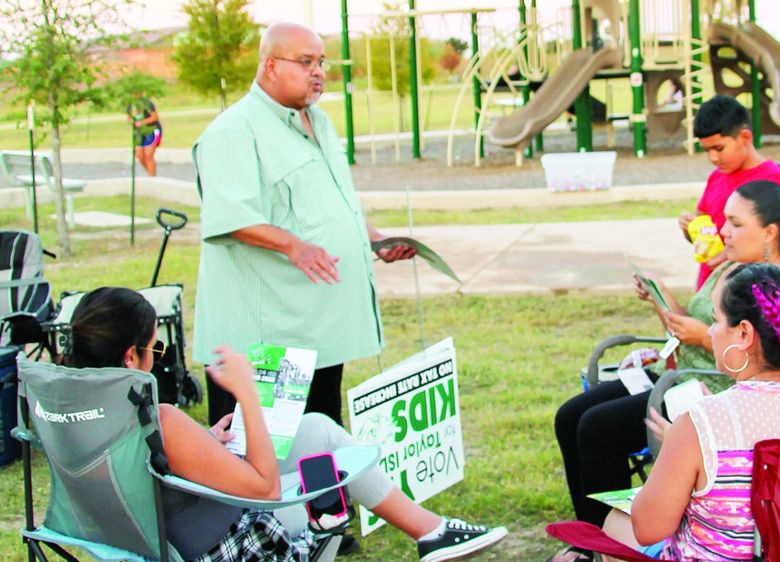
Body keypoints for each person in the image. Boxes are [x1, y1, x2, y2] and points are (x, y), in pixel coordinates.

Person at [63, 287, 508, 562]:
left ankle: (430, 532)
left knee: (316, 428)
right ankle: (429, 533)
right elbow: (265, 491)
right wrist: (248, 398)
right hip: (221, 546)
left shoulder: (78, 411)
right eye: (154, 351)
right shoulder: (159, 417)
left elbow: (153, 471)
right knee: (329, 468)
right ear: (129, 357)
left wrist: (204, 442)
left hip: (164, 532)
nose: (155, 361)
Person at [550, 181, 780, 562]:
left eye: (735, 224)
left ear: (770, 232)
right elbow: (695, 325)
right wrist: (662, 299)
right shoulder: (730, 265)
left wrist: (703, 339)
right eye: (726, 221)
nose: (723, 230)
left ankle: (600, 548)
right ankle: (589, 538)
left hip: (707, 389)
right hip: (677, 371)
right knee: (570, 416)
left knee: (598, 427)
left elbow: (775, 360)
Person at [192, 22, 416, 428]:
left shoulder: (319, 122)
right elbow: (232, 218)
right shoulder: (233, 132)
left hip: (317, 327)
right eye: (305, 62)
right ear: (271, 65)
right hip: (268, 338)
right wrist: (294, 246)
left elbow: (330, 201)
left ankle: (327, 496)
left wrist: (374, 240)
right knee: (262, 457)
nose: (318, 72)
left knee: (319, 437)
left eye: (321, 63)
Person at [600, 263, 780, 560]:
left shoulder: (700, 425)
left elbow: (648, 528)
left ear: (744, 333)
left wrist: (676, 450)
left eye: (715, 320)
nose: (710, 332)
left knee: (615, 521)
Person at [678, 95, 780, 290]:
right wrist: (690, 229)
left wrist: (734, 253)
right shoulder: (716, 178)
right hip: (711, 290)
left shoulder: (776, 181)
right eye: (706, 150)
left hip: (751, 294)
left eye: (719, 148)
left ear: (745, 138)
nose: (713, 157)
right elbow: (706, 232)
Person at [127, 91, 161, 177]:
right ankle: (151, 174)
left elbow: (155, 117)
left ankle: (152, 177)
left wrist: (142, 122)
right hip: (139, 132)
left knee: (148, 155)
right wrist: (131, 121)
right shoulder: (130, 105)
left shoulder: (147, 104)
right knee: (139, 155)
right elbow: (128, 117)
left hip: (153, 131)